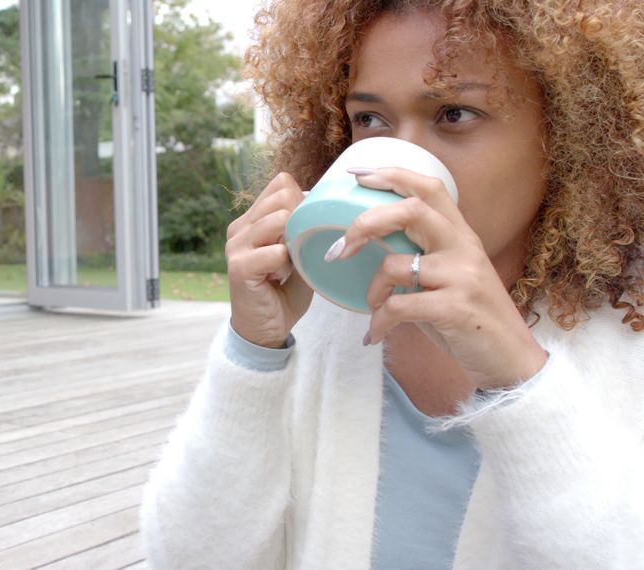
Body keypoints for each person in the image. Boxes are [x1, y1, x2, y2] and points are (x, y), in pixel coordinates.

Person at [139, 1, 644, 568]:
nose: (397, 167)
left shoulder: (628, 337)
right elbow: (186, 558)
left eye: (454, 113)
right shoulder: (322, 318)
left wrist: (520, 382)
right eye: (371, 120)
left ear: (570, 135)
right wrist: (251, 355)